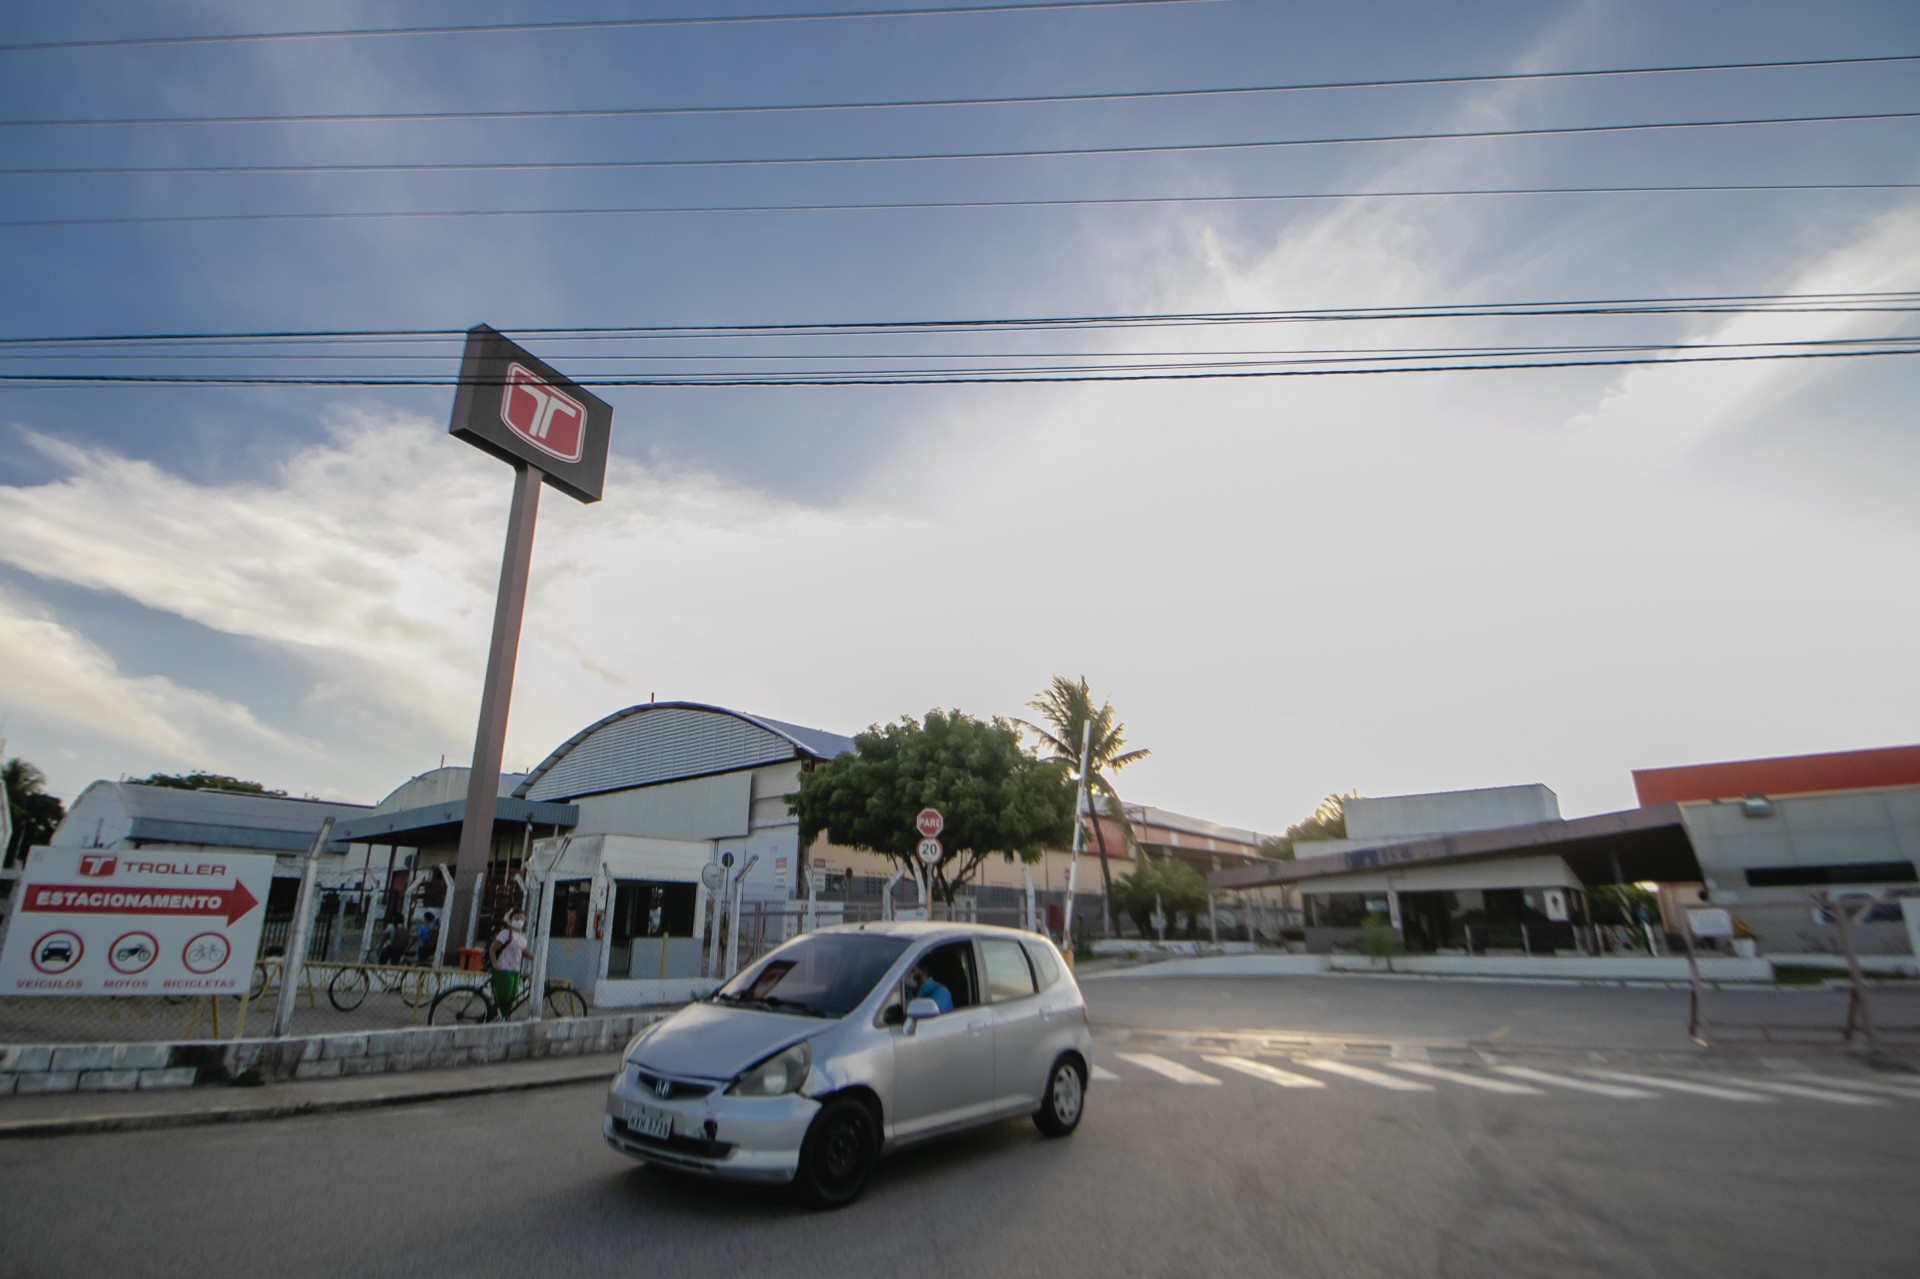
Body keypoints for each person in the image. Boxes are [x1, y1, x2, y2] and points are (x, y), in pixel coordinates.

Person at [488, 909, 531, 1021]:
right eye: (517, 918)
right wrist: (494, 963)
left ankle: (503, 1019)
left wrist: (535, 958)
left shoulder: (522, 937)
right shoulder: (506, 933)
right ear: (511, 920)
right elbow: (493, 949)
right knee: (503, 999)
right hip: (504, 969)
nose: (520, 921)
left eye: (522, 918)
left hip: (515, 970)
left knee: (510, 999)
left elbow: (523, 953)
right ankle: (489, 1019)